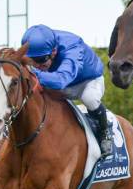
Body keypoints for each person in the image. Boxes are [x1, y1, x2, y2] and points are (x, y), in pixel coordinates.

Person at [20, 25, 112, 158]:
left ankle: (105, 132)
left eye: (41, 60)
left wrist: (32, 71)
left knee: (89, 98)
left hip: (87, 81)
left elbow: (60, 80)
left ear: (54, 51)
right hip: (62, 84)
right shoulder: (39, 47)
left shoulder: (72, 47)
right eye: (32, 60)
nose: (37, 65)